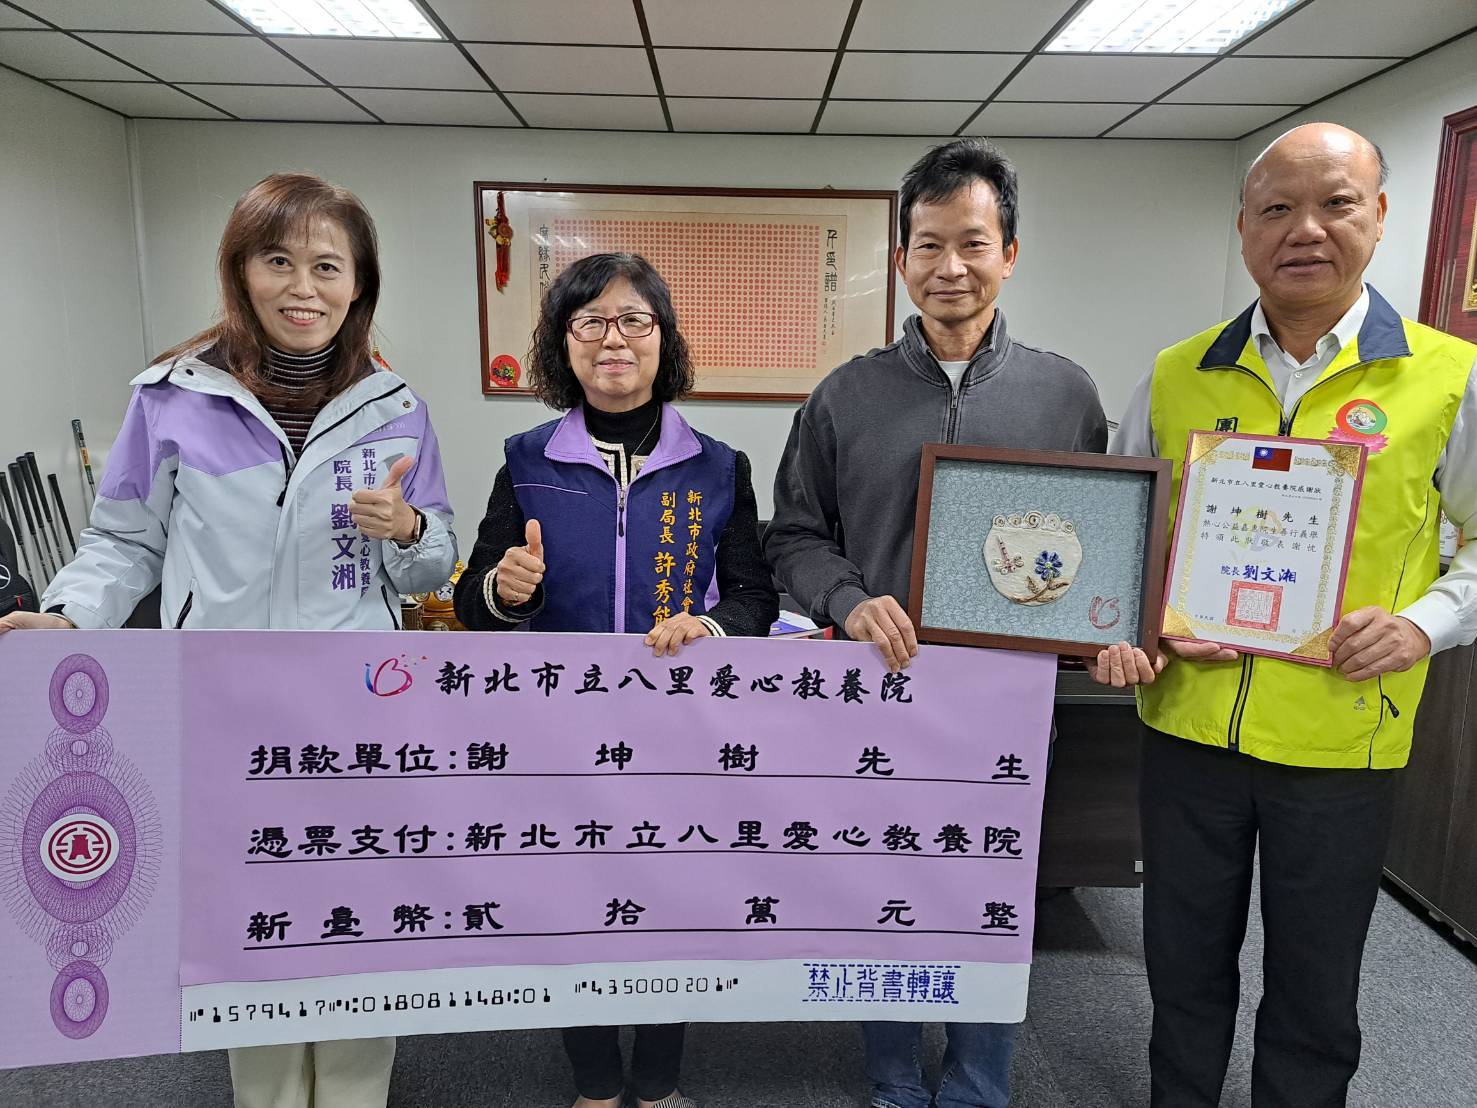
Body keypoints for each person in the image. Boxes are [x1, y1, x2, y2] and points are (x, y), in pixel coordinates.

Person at [0, 172, 458, 1108]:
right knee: (251, 928)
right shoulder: (171, 399)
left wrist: (408, 530)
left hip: (356, 716)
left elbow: (429, 568)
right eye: (278, 260)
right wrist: (71, 615)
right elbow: (122, 542)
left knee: (359, 926)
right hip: (222, 712)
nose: (304, 287)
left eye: (327, 266)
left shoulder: (396, 407)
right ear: (241, 270)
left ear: (358, 285)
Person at [1095, 122, 1477, 1106]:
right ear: (1243, 228)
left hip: (1342, 735)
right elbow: (1126, 531)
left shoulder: (1446, 376)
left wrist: (1423, 623)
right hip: (1188, 726)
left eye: (1334, 203)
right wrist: (1137, 621)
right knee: (1180, 964)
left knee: (1314, 984)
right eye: (1276, 208)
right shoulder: (1177, 373)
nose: (1304, 229)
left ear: (1377, 216)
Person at [765, 138, 1106, 1108]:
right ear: (901, 256)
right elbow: (791, 536)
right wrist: (848, 599)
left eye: (972, 243)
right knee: (878, 893)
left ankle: (976, 1086)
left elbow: (1097, 542)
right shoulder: (844, 395)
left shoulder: (1064, 394)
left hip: (1007, 703)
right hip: (878, 696)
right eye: (928, 245)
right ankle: (891, 1080)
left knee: (987, 896)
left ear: (1010, 253)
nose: (950, 266)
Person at [452, 251, 777, 1108]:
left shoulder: (719, 466)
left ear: (662, 338)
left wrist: (709, 626)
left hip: (681, 736)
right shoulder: (527, 459)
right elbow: (473, 601)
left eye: (635, 319)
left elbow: (754, 596)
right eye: (589, 321)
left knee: (671, 905)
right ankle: (595, 1085)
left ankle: (659, 1085)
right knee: (574, 910)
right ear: (563, 344)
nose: (613, 339)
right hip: (562, 738)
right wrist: (505, 591)